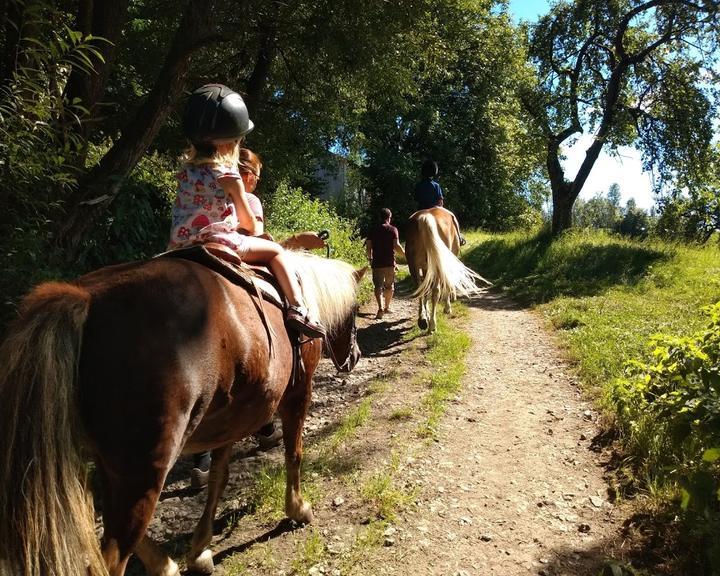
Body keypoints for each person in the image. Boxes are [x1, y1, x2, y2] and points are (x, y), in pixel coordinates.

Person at [169, 83, 325, 339]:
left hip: (181, 242)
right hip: (220, 241)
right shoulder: (229, 176)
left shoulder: (185, 172)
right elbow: (251, 225)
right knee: (276, 252)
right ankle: (298, 308)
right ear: (229, 143)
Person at [414, 159, 466, 246]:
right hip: (434, 209)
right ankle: (459, 238)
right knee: (452, 217)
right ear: (434, 171)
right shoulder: (436, 185)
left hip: (421, 209)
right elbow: (440, 202)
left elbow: (416, 198)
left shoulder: (418, 185)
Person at [366, 208, 405, 320]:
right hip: (389, 263)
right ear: (389, 217)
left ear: (380, 217)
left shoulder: (372, 230)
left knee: (377, 286)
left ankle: (380, 308)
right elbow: (397, 246)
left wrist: (370, 258)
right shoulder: (393, 229)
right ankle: (387, 307)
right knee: (389, 286)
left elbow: (368, 247)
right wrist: (405, 255)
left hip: (377, 263)